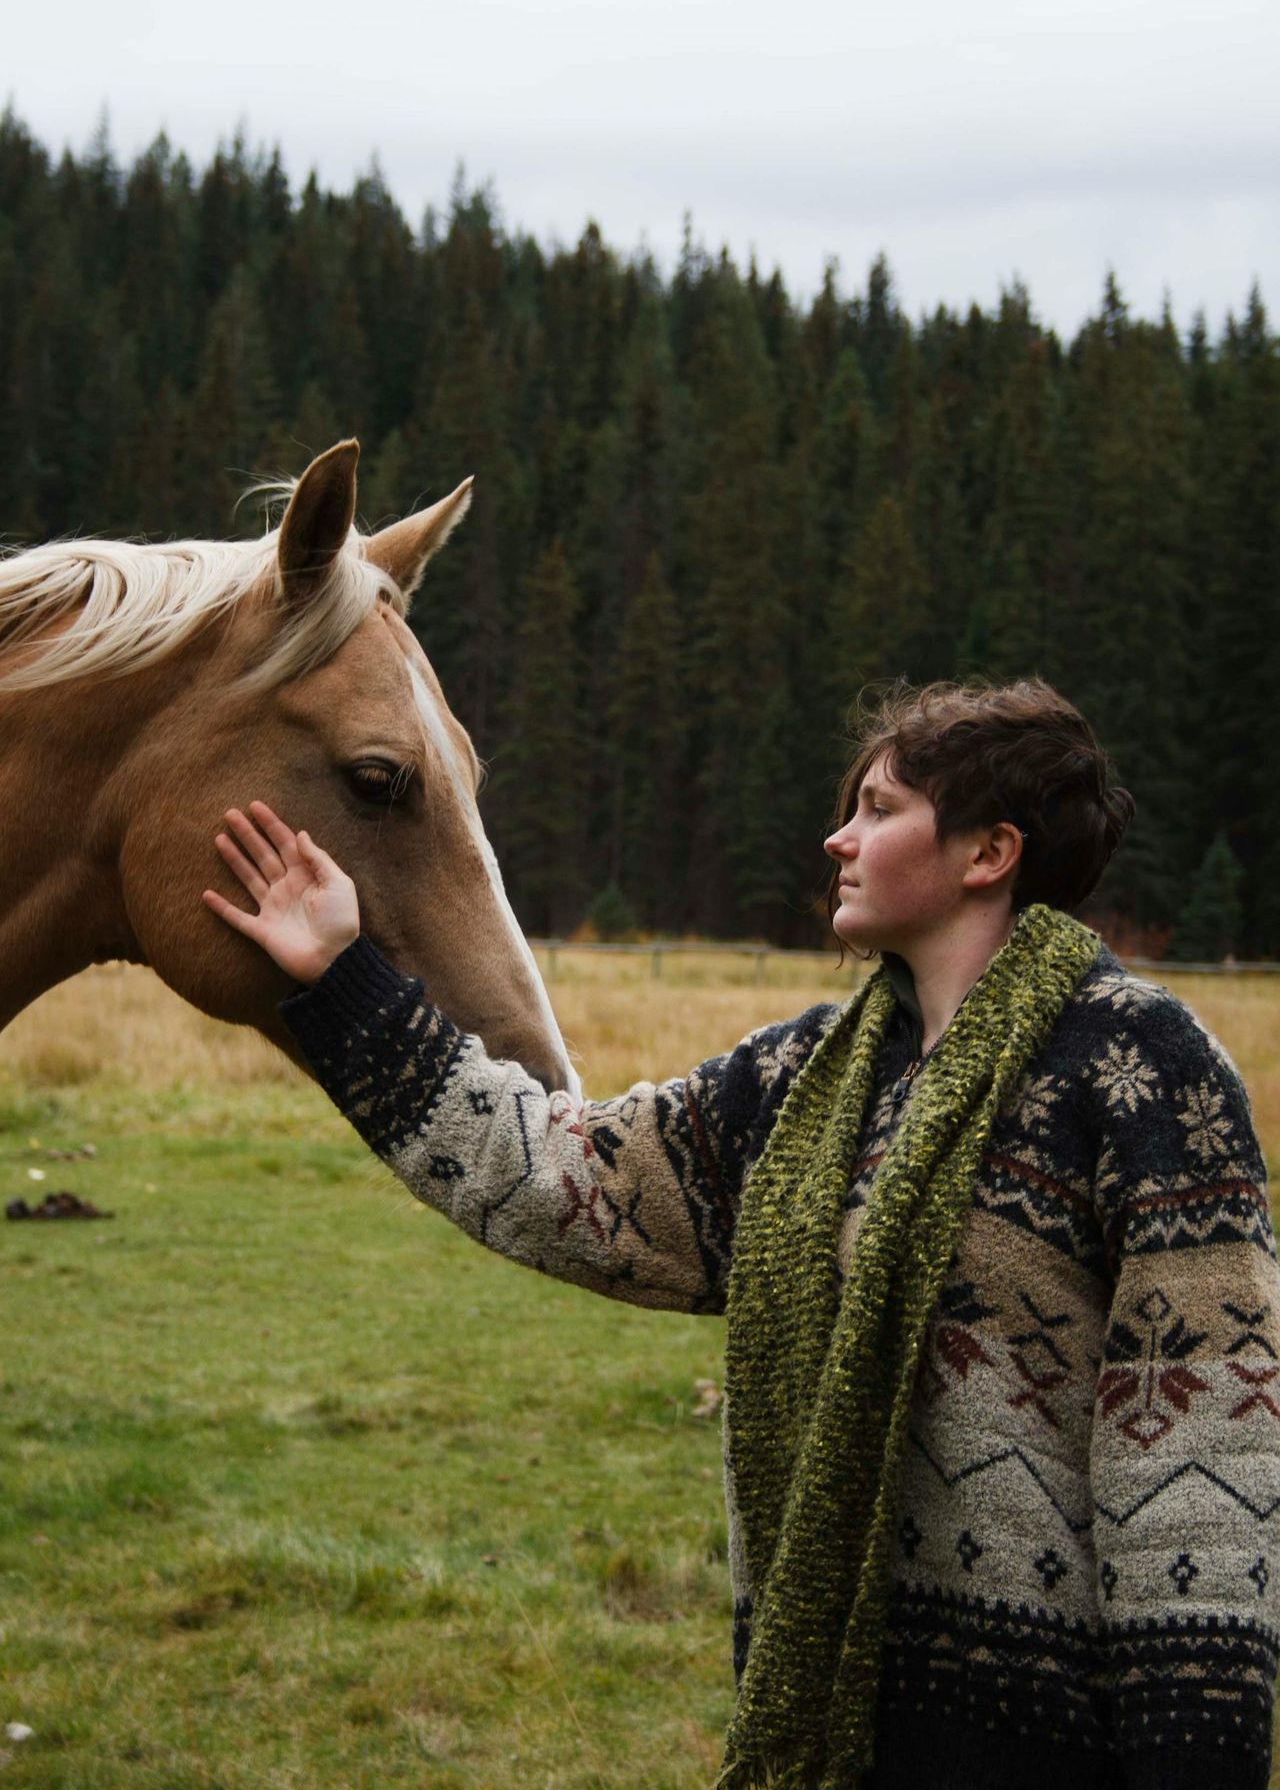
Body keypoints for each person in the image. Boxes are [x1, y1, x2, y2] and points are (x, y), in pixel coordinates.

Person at [203, 678, 1280, 1789]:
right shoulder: (798, 1081)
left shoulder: (1139, 1066)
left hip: (1055, 1749)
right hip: (832, 1727)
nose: (837, 837)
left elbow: (1202, 1448)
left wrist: (1195, 1757)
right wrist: (345, 980)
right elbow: (561, 1180)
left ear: (987, 852)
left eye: (878, 808)